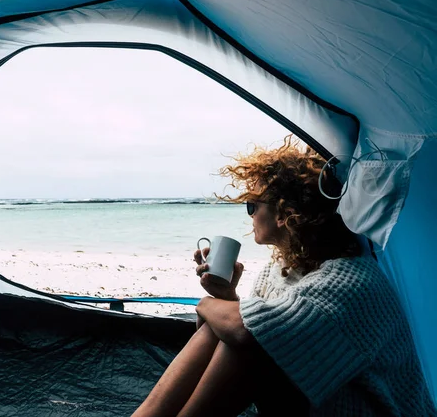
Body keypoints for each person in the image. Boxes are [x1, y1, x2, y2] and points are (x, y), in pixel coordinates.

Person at [132, 136, 436, 416]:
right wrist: (224, 297)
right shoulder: (277, 272)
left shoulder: (352, 283)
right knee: (234, 332)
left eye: (253, 205)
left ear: (284, 213)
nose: (249, 215)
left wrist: (207, 303)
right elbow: (225, 331)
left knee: (252, 342)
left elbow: (244, 333)